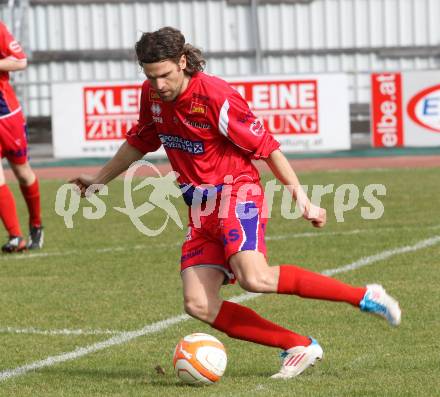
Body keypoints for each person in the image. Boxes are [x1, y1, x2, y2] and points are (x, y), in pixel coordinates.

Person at [71, 27, 401, 379]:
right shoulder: (151, 95)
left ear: (183, 62)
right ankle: (298, 344)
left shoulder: (216, 96)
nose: (160, 85)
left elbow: (268, 148)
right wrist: (99, 179)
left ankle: (365, 295)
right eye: (151, 77)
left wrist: (302, 199)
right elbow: (141, 139)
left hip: (237, 193)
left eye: (165, 75)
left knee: (254, 278)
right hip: (199, 208)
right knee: (198, 304)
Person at [0, 21, 43, 252]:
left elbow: (20, 61)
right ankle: (16, 236)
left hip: (7, 116)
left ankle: (36, 224)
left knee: (23, 173)